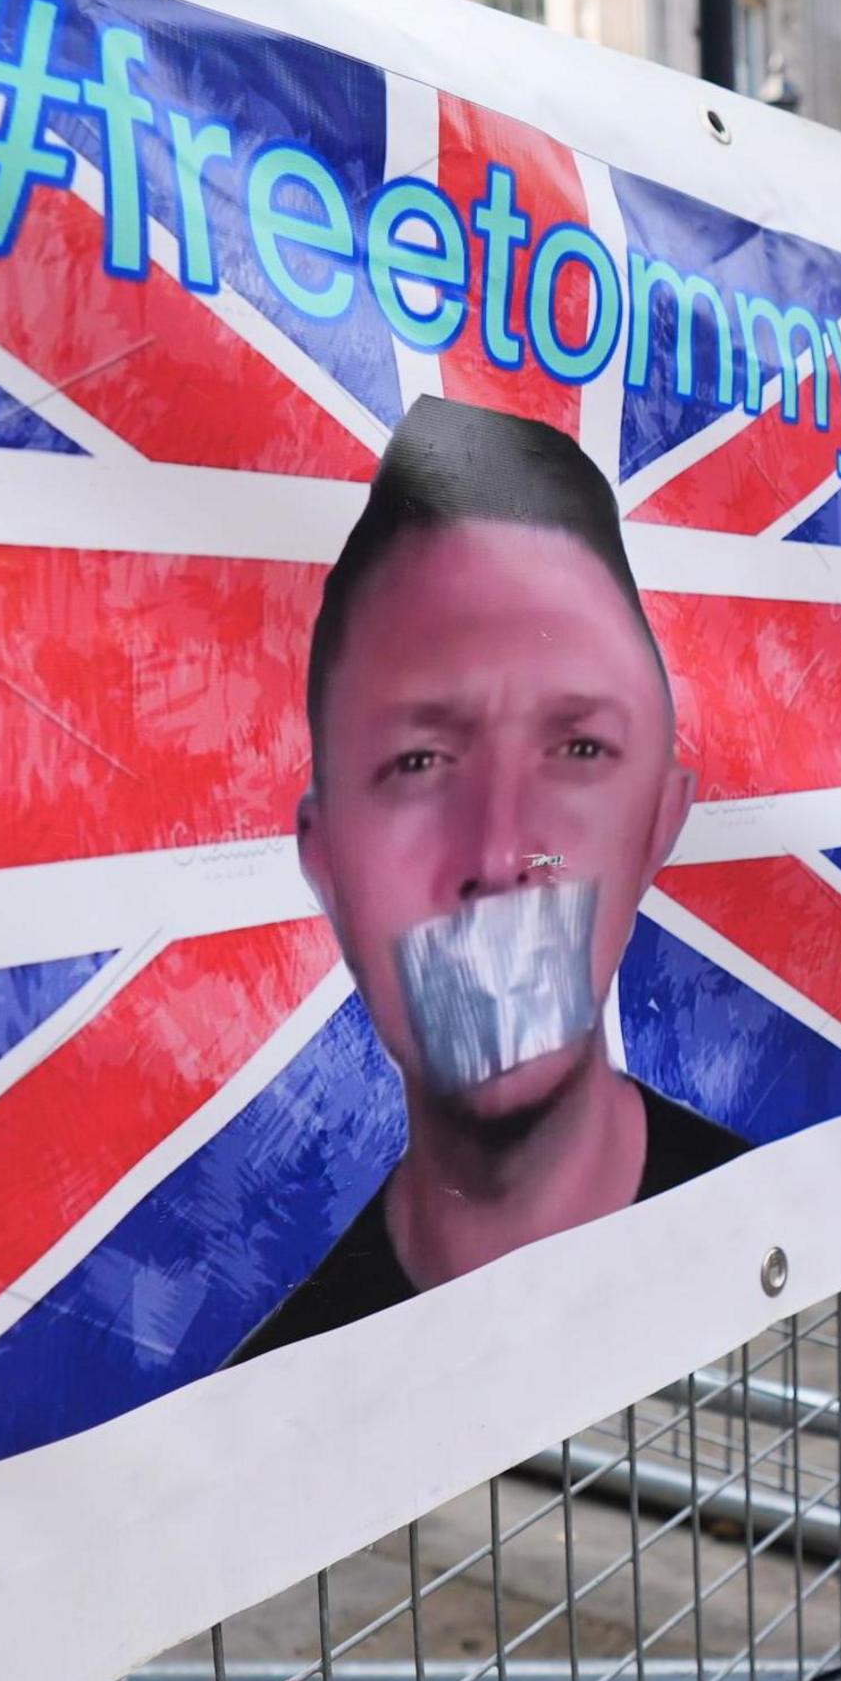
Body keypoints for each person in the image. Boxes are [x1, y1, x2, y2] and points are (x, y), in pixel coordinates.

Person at [235, 397, 739, 1359]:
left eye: (581, 748)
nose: (504, 857)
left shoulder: (780, 1229)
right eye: (419, 763)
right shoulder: (267, 1396)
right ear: (322, 856)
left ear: (660, 824)